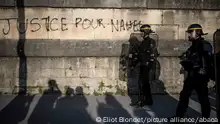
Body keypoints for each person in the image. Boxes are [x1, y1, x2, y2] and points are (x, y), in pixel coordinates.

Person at [176, 24, 213, 118]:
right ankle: (179, 117)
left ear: (197, 33)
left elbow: (207, 60)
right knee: (184, 95)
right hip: (192, 75)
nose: (188, 35)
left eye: (190, 33)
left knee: (203, 98)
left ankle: (205, 119)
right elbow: (189, 57)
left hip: (200, 76)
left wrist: (201, 69)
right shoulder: (192, 46)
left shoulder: (204, 45)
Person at [129, 24, 159, 107]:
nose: (141, 34)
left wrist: (149, 65)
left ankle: (141, 101)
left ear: (146, 32)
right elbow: (139, 54)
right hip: (143, 65)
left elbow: (153, 54)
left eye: (142, 32)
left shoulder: (150, 42)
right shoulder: (143, 42)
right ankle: (148, 100)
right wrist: (133, 64)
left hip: (146, 66)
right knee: (145, 83)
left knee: (142, 83)